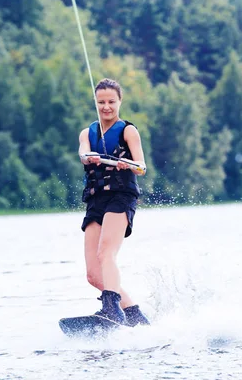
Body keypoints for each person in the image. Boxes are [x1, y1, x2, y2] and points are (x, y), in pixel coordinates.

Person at [77, 78, 150, 327]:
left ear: (120, 101)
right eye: (101, 102)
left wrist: (126, 163)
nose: (106, 107)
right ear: (95, 103)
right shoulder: (87, 133)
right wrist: (88, 157)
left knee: (106, 253)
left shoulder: (128, 131)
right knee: (92, 274)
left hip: (121, 196)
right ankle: (133, 314)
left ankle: (110, 309)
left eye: (111, 101)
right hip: (96, 199)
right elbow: (83, 153)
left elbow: (141, 166)